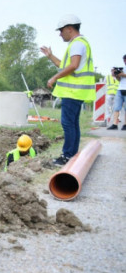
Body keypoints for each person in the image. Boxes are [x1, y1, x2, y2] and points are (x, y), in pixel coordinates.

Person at [40, 15, 96, 166]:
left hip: (73, 92)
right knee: (72, 123)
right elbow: (64, 65)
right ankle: (72, 154)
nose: (60, 34)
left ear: (70, 29)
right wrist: (50, 56)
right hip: (75, 92)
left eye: (61, 31)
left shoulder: (77, 44)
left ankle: (68, 156)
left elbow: (73, 66)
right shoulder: (78, 44)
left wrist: (54, 78)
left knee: (68, 123)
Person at [107, 54, 126, 130]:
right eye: (124, 60)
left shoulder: (123, 71)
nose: (124, 61)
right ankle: (115, 124)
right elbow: (119, 80)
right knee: (116, 107)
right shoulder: (122, 69)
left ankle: (125, 124)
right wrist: (117, 75)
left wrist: (123, 74)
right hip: (120, 89)